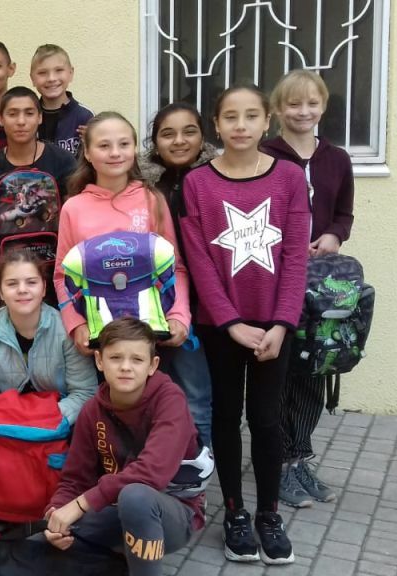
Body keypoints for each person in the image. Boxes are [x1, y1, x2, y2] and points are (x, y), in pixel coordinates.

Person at [180, 85, 309, 565]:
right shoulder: (197, 183)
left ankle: (269, 514)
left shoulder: (289, 177)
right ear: (216, 124)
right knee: (226, 416)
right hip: (222, 325)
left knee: (267, 418)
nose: (240, 125)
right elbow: (199, 261)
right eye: (230, 117)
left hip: (275, 324)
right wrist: (231, 322)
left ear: (266, 121)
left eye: (251, 115)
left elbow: (296, 257)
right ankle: (234, 511)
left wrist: (281, 323)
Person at [34, 318, 204, 576]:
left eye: (137, 359)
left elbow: (150, 473)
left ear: (152, 365)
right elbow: (74, 479)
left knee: (135, 496)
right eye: (115, 358)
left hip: (174, 512)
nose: (126, 367)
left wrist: (80, 505)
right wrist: (57, 513)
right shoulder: (92, 410)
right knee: (55, 530)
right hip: (116, 507)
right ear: (99, 361)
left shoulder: (170, 401)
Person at [262, 71, 355, 508]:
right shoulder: (266, 155)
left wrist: (334, 235)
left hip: (322, 280)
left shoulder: (337, 158)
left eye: (312, 103)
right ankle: (278, 462)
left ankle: (299, 457)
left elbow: (344, 214)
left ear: (323, 107)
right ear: (278, 110)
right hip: (278, 278)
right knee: (283, 373)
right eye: (294, 104)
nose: (303, 112)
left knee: (315, 370)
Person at [52, 112, 190, 359]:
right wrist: (76, 324)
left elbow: (175, 266)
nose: (115, 153)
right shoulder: (73, 207)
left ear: (134, 148)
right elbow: (63, 275)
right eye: (104, 146)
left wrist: (178, 315)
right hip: (99, 334)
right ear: (87, 153)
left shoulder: (152, 199)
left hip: (151, 333)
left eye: (124, 144)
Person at [137, 102, 218, 447]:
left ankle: (201, 461)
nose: (179, 141)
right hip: (157, 299)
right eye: (168, 134)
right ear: (155, 142)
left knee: (199, 390)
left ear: (203, 137)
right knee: (157, 385)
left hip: (211, 302)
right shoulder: (142, 186)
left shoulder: (217, 177)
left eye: (189, 132)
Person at [0, 250, 96, 426]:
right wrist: (15, 412)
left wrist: (44, 416)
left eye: (31, 282)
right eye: (12, 284)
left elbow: (85, 393)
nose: (22, 290)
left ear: (44, 288)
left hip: (56, 425)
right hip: (7, 424)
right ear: (1, 292)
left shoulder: (65, 326)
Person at [0, 86, 76, 241]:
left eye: (29, 113)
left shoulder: (63, 160)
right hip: (5, 253)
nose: (21, 121)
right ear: (1, 119)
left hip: (54, 252)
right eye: (12, 114)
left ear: (40, 117)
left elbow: (73, 218)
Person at [29, 44, 94, 156]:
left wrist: (93, 142)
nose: (51, 78)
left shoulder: (85, 116)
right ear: (32, 78)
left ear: (71, 73)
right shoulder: (28, 116)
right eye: (42, 73)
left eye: (59, 70)